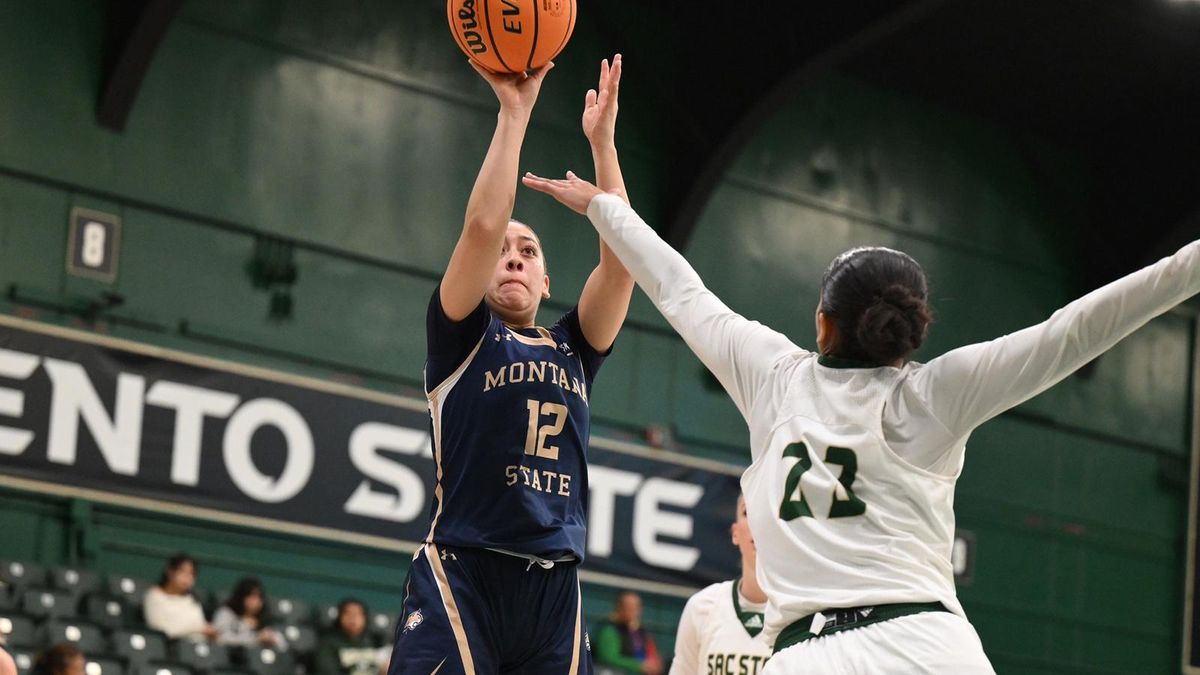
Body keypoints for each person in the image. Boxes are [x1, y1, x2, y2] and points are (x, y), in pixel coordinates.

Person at [521, 170, 1200, 673]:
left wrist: (605, 208)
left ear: (823, 322)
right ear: (912, 332)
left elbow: (678, 288)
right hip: (931, 648)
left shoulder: (772, 376)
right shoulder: (935, 395)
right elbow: (1074, 330)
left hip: (808, 655)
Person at [387, 53, 634, 675]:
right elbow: (480, 225)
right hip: (465, 572)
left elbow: (626, 262)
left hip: (554, 589)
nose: (513, 257)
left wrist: (603, 146)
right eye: (504, 253)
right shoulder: (460, 338)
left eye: (528, 251)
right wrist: (515, 112)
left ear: (548, 280)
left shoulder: (572, 348)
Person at [670, 495, 772, 675]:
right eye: (747, 512)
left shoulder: (799, 614)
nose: (758, 522)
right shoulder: (702, 607)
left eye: (767, 513)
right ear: (735, 533)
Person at [143, 553, 216, 642]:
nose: (187, 577)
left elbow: (201, 626)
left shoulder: (193, 598)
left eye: (191, 573)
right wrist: (198, 629)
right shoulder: (154, 596)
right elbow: (161, 630)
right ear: (169, 571)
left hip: (197, 648)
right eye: (182, 571)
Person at [593, 591, 661, 675]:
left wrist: (654, 665)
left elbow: (653, 657)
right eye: (628, 606)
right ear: (619, 608)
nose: (633, 611)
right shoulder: (609, 630)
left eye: (636, 607)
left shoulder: (642, 632)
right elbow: (608, 658)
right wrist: (638, 666)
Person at [212, 577, 286, 650]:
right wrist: (255, 640)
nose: (256, 602)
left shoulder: (265, 620)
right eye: (252, 596)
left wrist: (272, 640)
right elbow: (220, 639)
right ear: (241, 596)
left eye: (259, 597)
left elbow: (283, 646)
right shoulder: (225, 613)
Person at [316, 599, 379, 675]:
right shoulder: (328, 644)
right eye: (348, 614)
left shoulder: (374, 642)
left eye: (358, 614)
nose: (353, 619)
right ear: (340, 616)